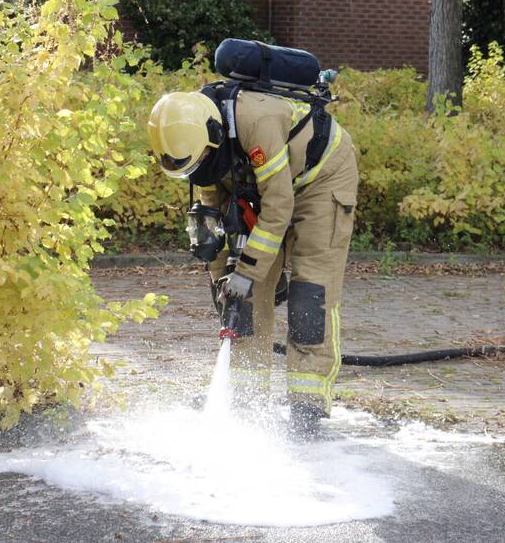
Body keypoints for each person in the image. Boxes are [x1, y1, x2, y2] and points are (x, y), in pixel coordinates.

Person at [147, 78, 358, 438]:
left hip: (319, 179)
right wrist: (225, 281)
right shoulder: (199, 148)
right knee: (242, 299)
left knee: (311, 291)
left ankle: (307, 406)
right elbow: (213, 221)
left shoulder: (256, 123)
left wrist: (249, 270)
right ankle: (247, 400)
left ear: (212, 138)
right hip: (259, 183)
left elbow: (279, 206)